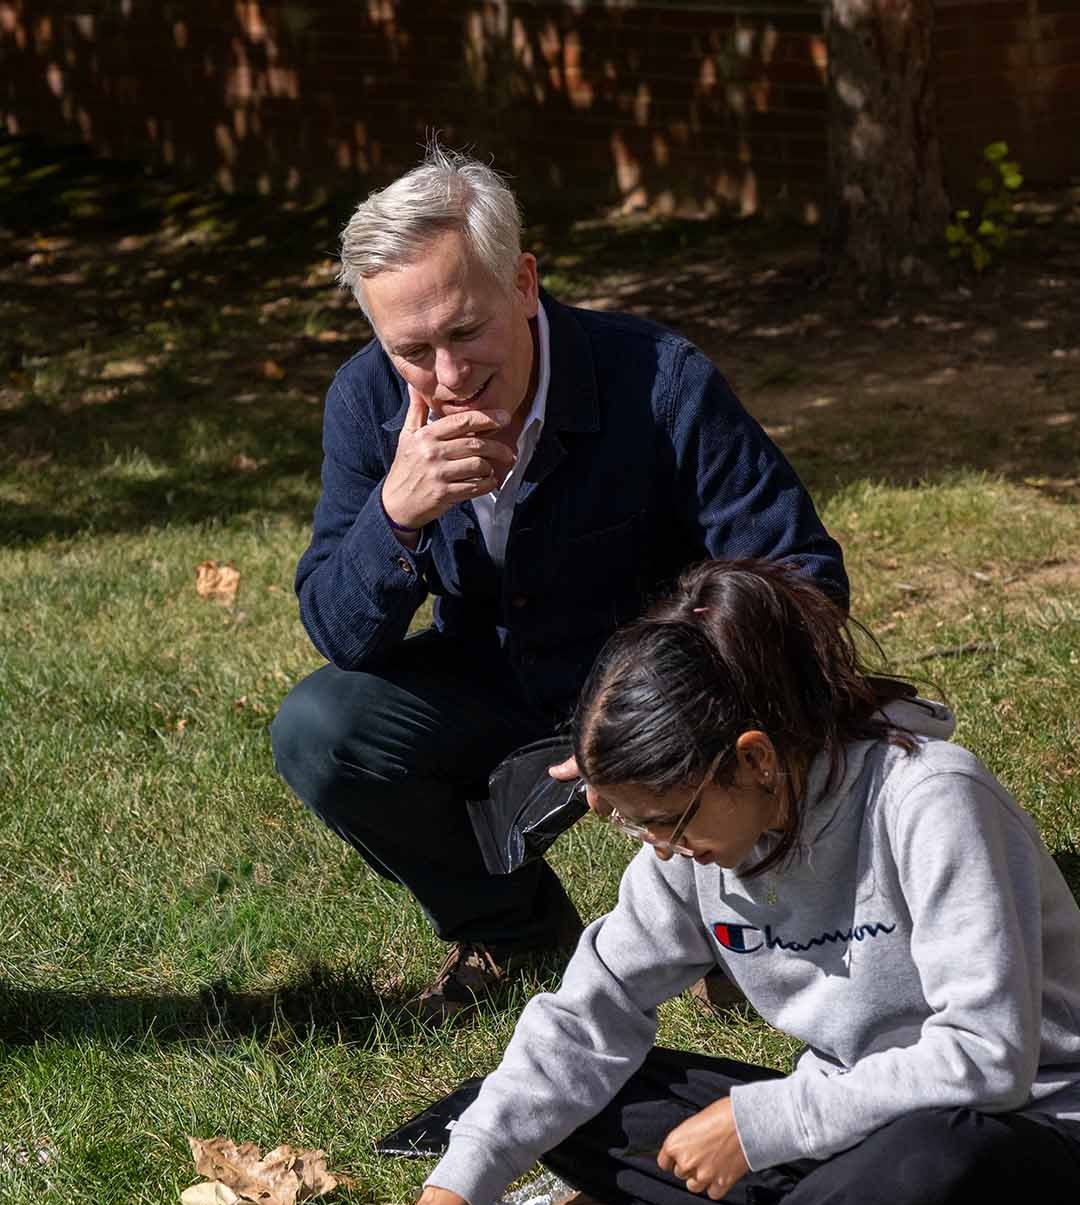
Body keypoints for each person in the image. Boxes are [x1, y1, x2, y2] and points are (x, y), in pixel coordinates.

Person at [379, 558, 1080, 1205]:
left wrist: (764, 1123)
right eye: (635, 825)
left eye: (670, 821)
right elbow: (583, 1018)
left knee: (917, 1164)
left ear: (753, 759)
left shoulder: (931, 801)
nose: (662, 850)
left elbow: (988, 1058)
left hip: (1034, 1132)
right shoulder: (686, 854)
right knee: (577, 1102)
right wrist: (455, 1191)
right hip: (848, 1126)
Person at [270, 145, 847, 1026]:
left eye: (466, 332)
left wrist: (678, 704)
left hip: (669, 684)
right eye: (413, 351)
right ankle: (513, 927)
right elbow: (342, 633)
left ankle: (739, 912)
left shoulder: (657, 379)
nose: (449, 376)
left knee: (783, 686)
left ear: (524, 283)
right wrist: (396, 512)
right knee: (320, 728)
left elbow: (802, 576)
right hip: (500, 680)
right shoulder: (365, 402)